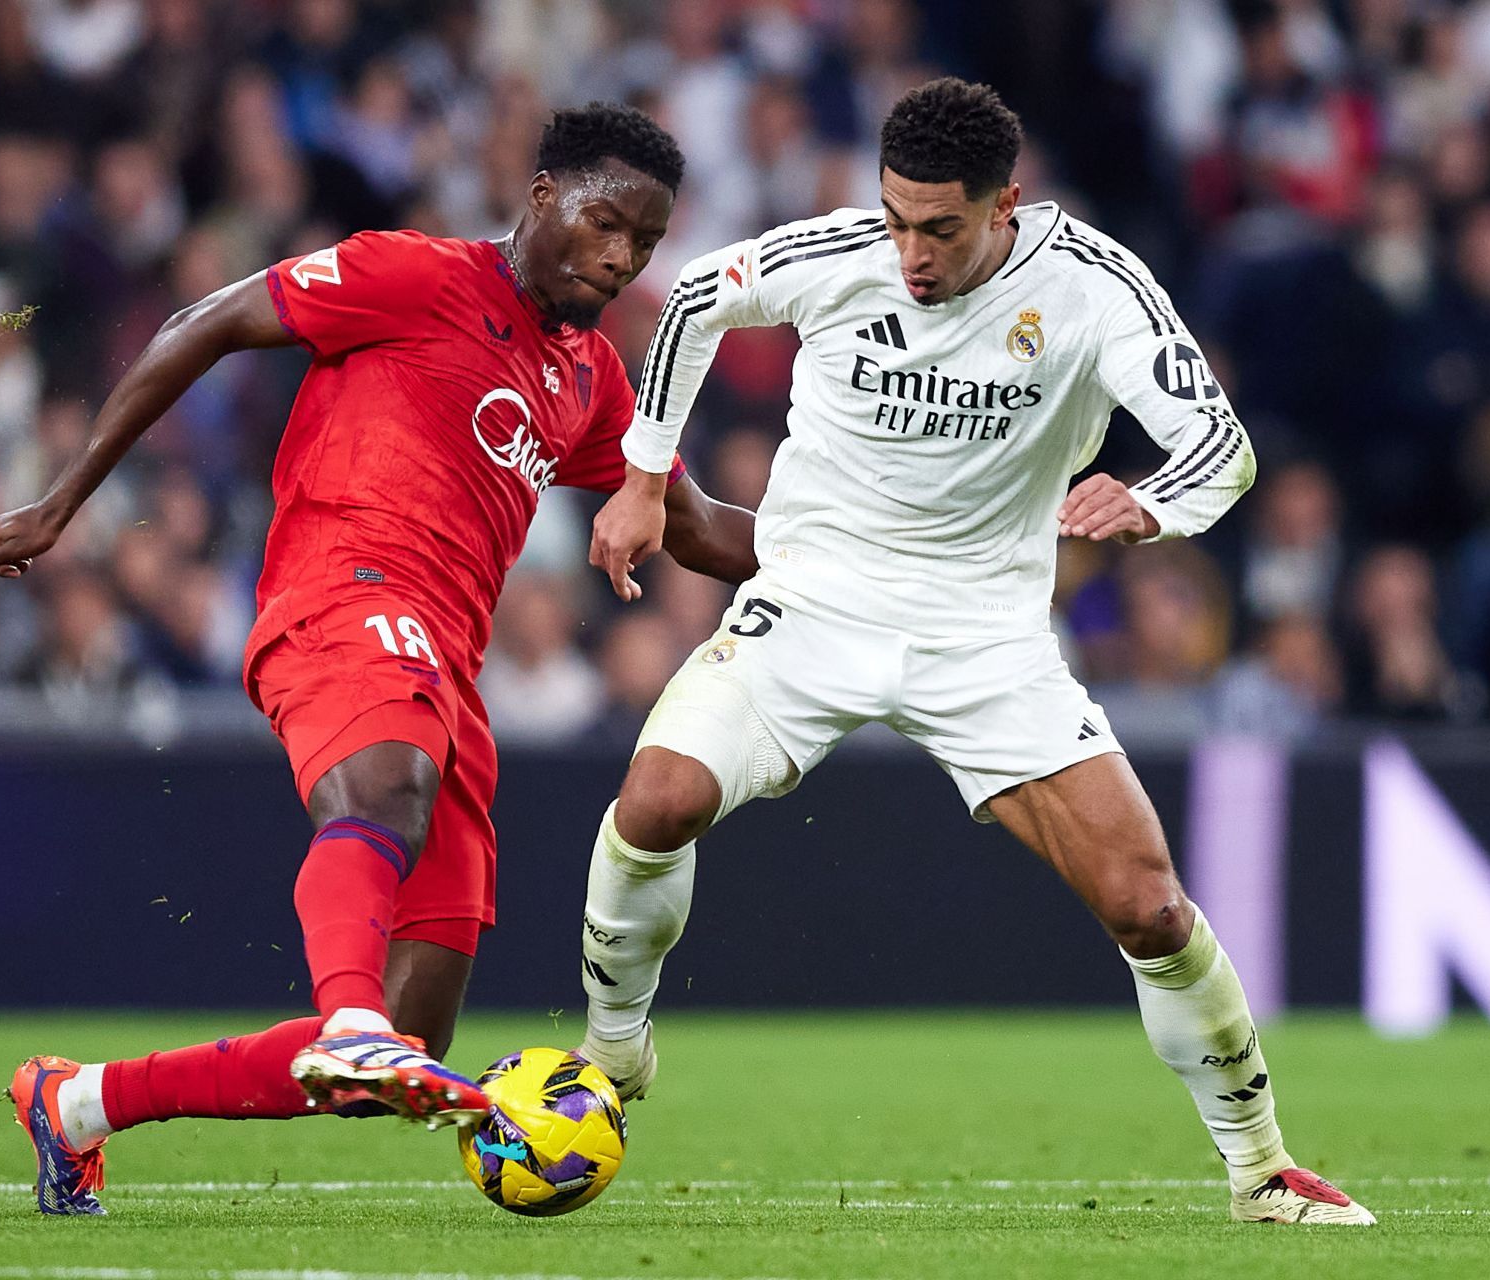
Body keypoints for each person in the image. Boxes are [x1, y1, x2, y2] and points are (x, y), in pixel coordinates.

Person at [577, 79, 1374, 1227]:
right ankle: (615, 1047)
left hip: (986, 633)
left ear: (1009, 202)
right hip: (815, 600)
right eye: (895, 216)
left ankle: (1262, 1169)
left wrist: (1151, 504)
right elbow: (699, 295)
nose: (908, 251)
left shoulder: (1094, 291)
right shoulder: (843, 252)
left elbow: (1222, 446)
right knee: (654, 800)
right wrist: (647, 477)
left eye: (939, 226)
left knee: (1149, 907)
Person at [0, 103, 757, 1215]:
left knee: (409, 1042)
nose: (622, 255)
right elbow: (208, 318)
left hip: (451, 664)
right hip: (343, 591)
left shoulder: (590, 381)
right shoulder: (414, 275)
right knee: (384, 801)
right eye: (605, 222)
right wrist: (64, 500)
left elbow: (699, 524)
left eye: (644, 240)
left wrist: (876, 554)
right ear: (542, 197)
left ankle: (79, 1101)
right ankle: (346, 1022)